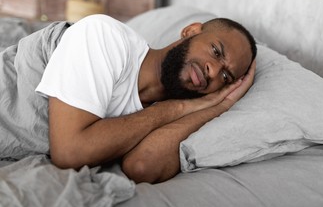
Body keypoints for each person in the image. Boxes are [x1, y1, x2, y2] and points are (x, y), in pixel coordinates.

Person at [35, 14, 257, 183]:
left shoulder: (176, 110)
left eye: (226, 76)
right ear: (190, 31)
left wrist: (222, 105)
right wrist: (174, 109)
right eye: (216, 51)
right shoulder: (105, 35)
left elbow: (142, 166)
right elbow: (69, 153)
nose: (214, 70)